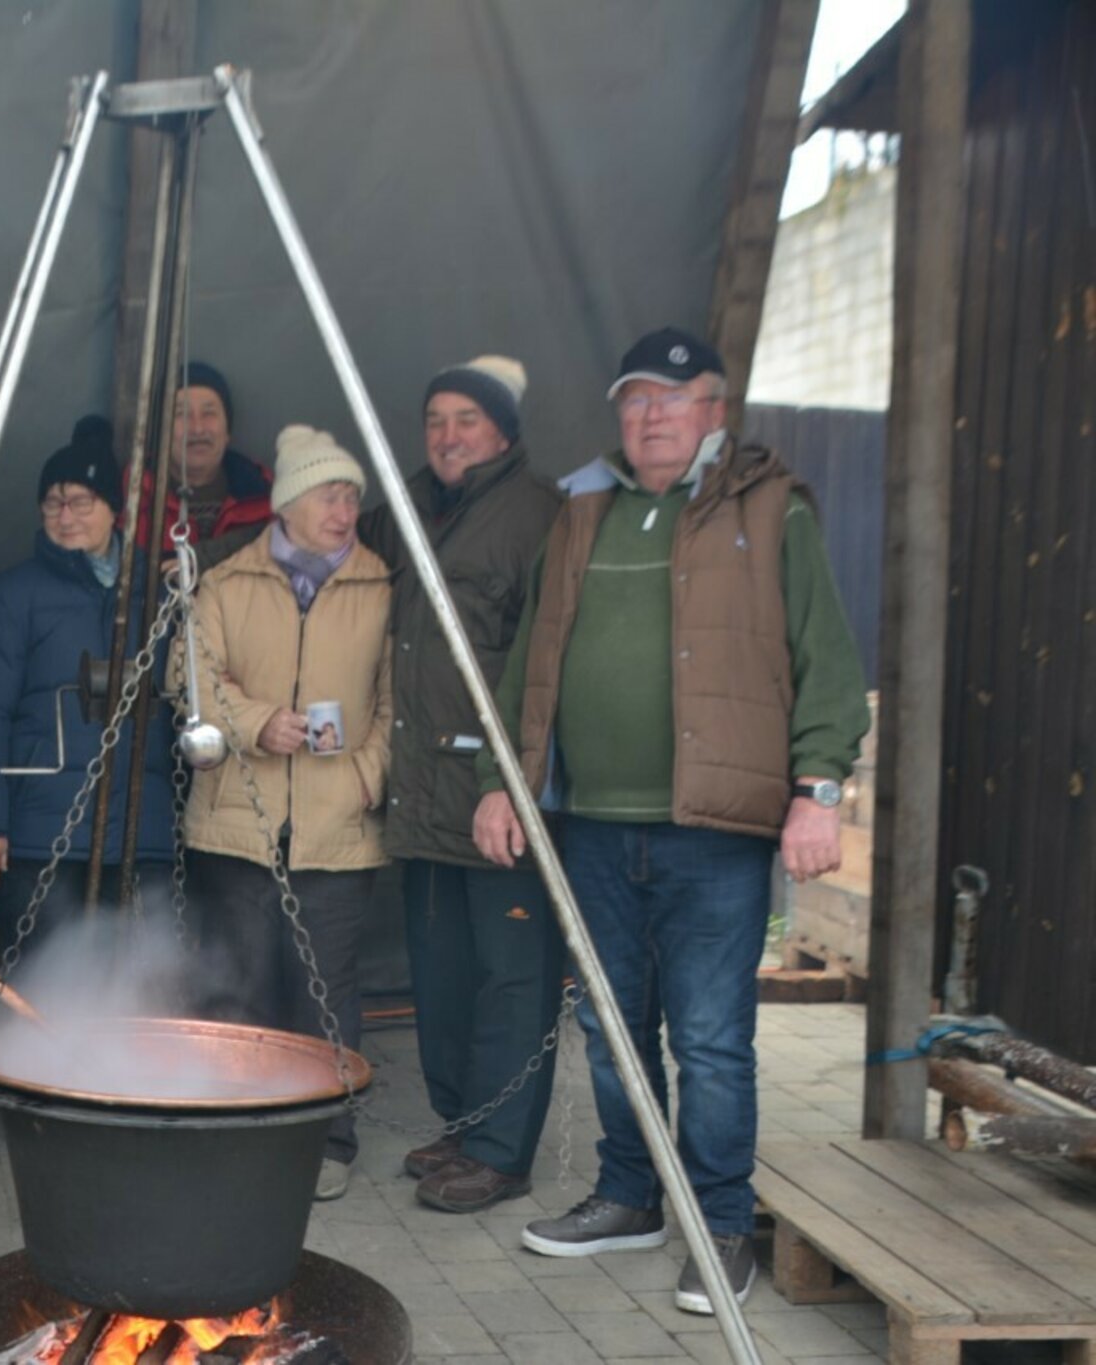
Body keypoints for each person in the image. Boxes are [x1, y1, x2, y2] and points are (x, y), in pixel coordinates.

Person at [475, 328, 869, 1313]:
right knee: (610, 1032)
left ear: (713, 409)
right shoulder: (581, 509)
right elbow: (529, 657)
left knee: (707, 1040)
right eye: (632, 400)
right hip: (593, 823)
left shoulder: (769, 507)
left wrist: (815, 792)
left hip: (716, 828)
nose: (646, 416)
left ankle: (720, 1224)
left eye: (669, 397)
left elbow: (826, 658)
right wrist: (501, 779)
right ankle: (627, 1197)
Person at [357, 355, 564, 1214]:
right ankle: (463, 1123)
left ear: (504, 431)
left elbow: (545, 665)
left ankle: (501, 1151)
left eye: (466, 420)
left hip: (493, 792)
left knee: (513, 976)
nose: (447, 435)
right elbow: (318, 537)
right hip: (423, 789)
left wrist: (511, 781)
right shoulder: (408, 510)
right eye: (435, 419)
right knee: (441, 974)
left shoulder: (540, 517)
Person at [175, 424, 391, 1203]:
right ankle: (240, 1130)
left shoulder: (381, 585)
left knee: (325, 991)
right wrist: (254, 721)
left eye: (353, 497)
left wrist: (369, 771)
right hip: (239, 816)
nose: (344, 509)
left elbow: (399, 698)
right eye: (330, 495)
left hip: (338, 821)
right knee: (239, 985)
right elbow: (191, 679)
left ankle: (329, 1139)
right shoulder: (227, 583)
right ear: (290, 504)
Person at [0, 416, 175, 953]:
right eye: (53, 502)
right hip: (40, 835)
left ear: (115, 511)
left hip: (144, 836)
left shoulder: (158, 596)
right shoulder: (6, 598)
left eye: (81, 501)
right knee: (43, 995)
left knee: (142, 995)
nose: (65, 515)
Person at [127, 361, 274, 560]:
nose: (197, 428)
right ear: (161, 431)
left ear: (227, 430)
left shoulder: (267, 500)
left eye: (209, 413)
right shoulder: (131, 500)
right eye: (181, 414)